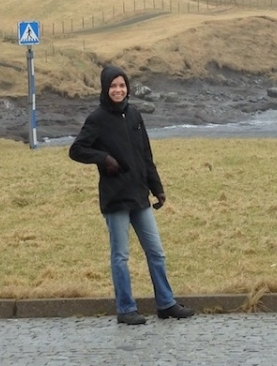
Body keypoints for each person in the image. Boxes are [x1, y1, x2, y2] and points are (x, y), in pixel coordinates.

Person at [69, 64, 195, 325]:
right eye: (113, 86)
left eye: (122, 85)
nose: (118, 90)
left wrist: (157, 188)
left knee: (156, 252)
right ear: (106, 89)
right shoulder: (97, 119)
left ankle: (166, 303)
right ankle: (126, 309)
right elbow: (77, 149)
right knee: (121, 256)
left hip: (140, 196)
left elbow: (146, 156)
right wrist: (103, 158)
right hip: (116, 199)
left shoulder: (135, 114)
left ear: (127, 88)